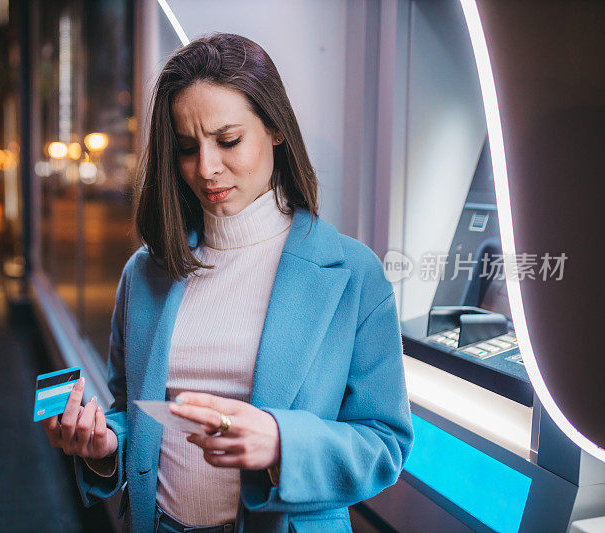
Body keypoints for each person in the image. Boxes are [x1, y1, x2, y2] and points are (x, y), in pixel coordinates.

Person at [42, 32, 414, 533]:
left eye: (229, 140)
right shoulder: (146, 272)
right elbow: (133, 412)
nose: (207, 168)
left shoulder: (353, 273)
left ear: (276, 128)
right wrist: (105, 444)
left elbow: (384, 443)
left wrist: (282, 443)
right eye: (187, 148)